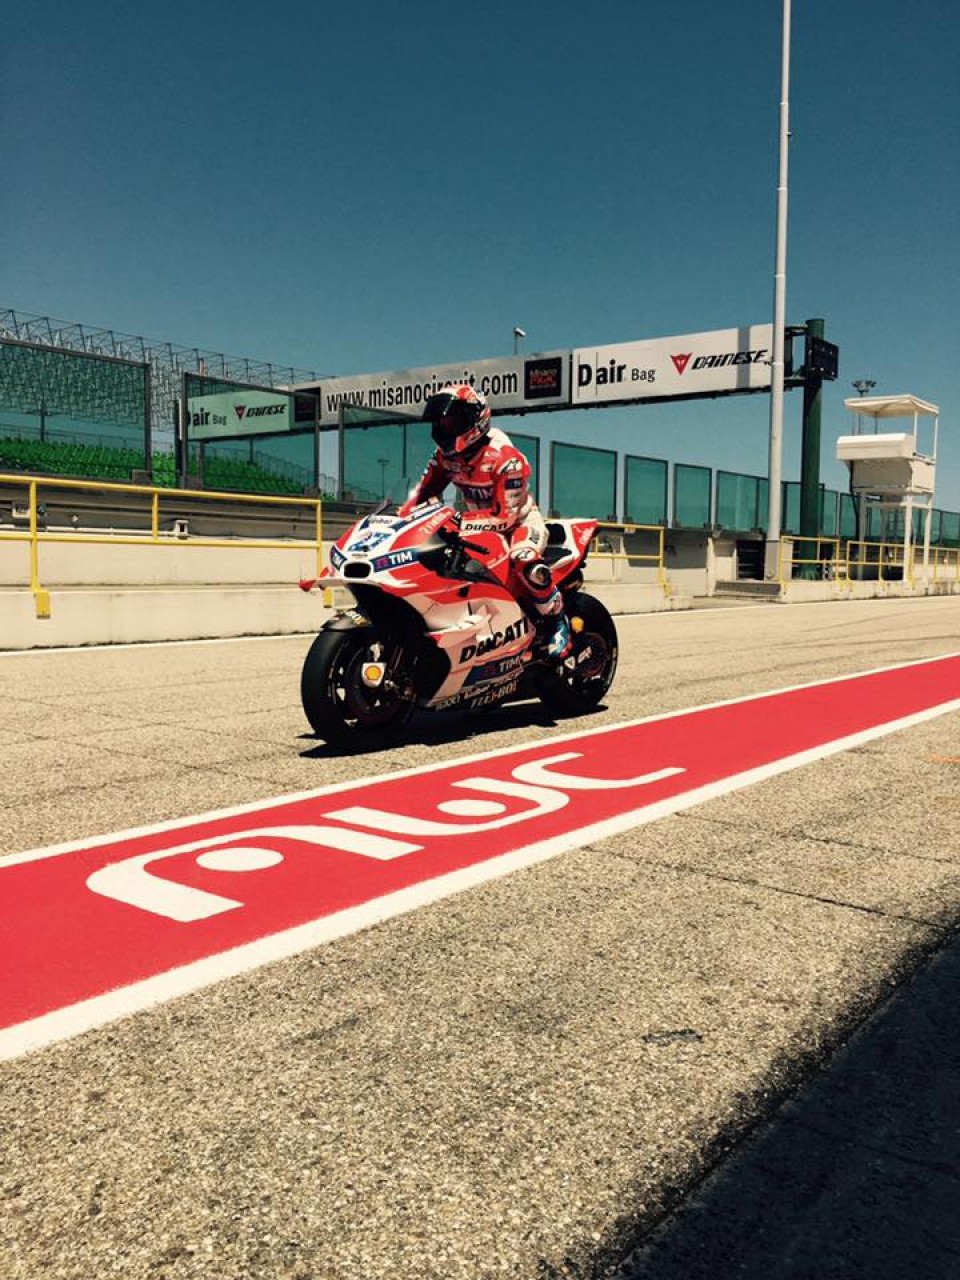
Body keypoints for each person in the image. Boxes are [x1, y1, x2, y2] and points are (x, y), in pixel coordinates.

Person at [398, 384, 572, 658]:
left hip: (519, 524)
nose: (444, 427)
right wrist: (398, 519)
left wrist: (456, 521)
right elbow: (420, 495)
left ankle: (556, 621)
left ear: (475, 419)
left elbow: (505, 516)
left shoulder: (506, 458)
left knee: (523, 558)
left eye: (452, 420)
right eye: (440, 421)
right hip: (474, 525)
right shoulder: (445, 458)